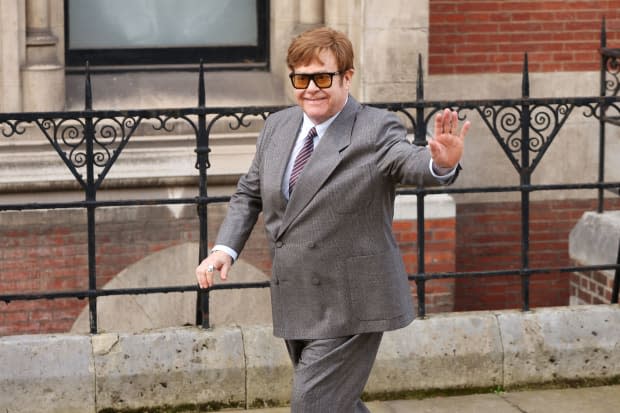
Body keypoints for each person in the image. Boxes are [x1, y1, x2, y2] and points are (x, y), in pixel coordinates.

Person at [196, 26, 469, 413]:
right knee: (338, 405)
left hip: (352, 303)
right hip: (297, 296)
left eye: (322, 77)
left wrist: (439, 163)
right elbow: (249, 193)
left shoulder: (375, 128)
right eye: (301, 78)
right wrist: (224, 249)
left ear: (346, 77)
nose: (311, 88)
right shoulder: (278, 127)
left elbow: (407, 161)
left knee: (313, 406)